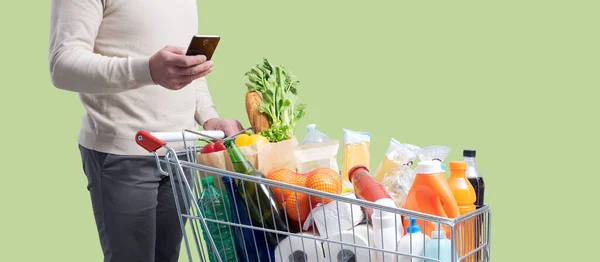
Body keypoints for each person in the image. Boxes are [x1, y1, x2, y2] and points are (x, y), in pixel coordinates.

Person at [48, 1, 243, 261]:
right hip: (122, 154)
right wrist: (147, 70)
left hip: (181, 154)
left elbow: (185, 66)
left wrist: (209, 116)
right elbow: (62, 64)